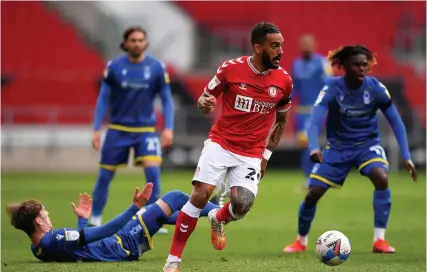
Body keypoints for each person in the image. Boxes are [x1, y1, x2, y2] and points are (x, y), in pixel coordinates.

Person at [163, 21, 293, 272]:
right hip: (221, 143)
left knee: (242, 206)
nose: (280, 51)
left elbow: (282, 119)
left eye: (282, 46)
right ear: (258, 47)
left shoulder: (284, 81)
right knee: (200, 195)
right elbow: (205, 97)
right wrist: (204, 104)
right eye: (275, 46)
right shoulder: (230, 69)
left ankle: (217, 218)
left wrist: (265, 155)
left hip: (252, 153)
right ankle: (173, 260)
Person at [283, 45, 417, 254]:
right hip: (337, 148)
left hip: (368, 145)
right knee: (313, 193)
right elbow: (314, 121)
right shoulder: (332, 88)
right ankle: (300, 241)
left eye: (365, 64)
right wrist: (313, 147)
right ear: (344, 66)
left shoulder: (376, 88)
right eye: (356, 64)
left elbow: (396, 122)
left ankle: (379, 241)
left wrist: (406, 156)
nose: (362, 68)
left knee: (381, 177)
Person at [90, 26, 174, 233]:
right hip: (118, 129)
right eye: (133, 40)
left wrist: (168, 128)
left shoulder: (156, 67)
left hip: (146, 129)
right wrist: (96, 129)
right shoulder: (115, 66)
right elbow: (103, 99)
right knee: (105, 176)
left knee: (153, 171)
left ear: (145, 43)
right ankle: (95, 218)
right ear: (126, 43)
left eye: (140, 40)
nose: (137, 43)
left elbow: (166, 100)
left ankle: (152, 218)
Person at [6, 183, 219, 262]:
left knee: (159, 213)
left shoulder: (37, 248)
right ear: (38, 222)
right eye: (45, 215)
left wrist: (82, 219)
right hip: (121, 243)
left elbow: (80, 245)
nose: (49, 216)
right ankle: (219, 213)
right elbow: (101, 232)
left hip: (117, 244)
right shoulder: (52, 240)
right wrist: (133, 207)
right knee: (175, 197)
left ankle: (212, 212)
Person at [291, 34, 332, 188]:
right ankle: (312, 176)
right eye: (304, 44)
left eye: (309, 44)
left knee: (308, 141)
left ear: (314, 46)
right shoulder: (296, 64)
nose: (306, 47)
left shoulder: (322, 62)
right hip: (301, 110)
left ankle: (313, 176)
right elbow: (295, 87)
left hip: (315, 109)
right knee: (303, 144)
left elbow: (329, 85)